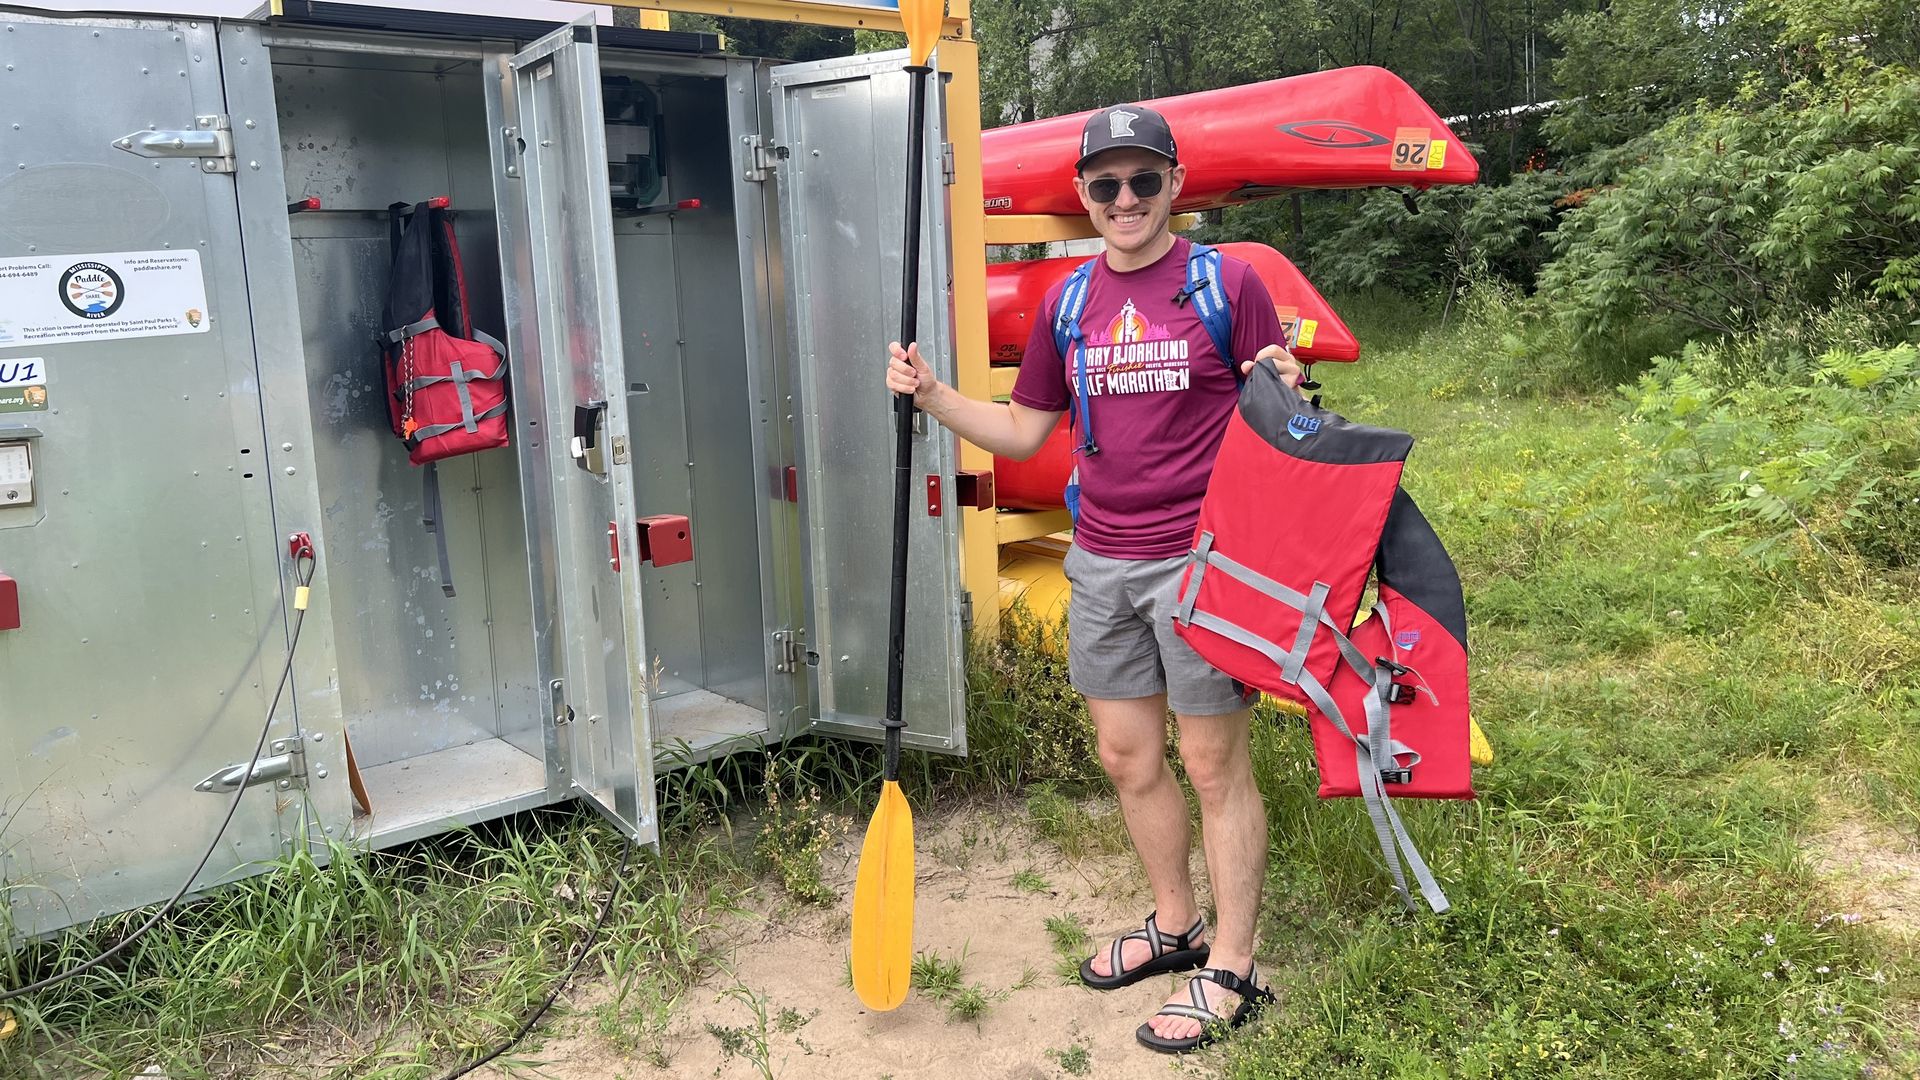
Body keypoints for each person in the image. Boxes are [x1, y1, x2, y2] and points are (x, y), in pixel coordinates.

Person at [884, 103, 1307, 1053]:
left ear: (1174, 186)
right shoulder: (1069, 302)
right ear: (1082, 195)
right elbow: (1026, 431)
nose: (1125, 199)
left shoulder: (1223, 283)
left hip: (1203, 561)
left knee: (1213, 764)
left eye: (1143, 180)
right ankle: (1174, 924)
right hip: (1102, 560)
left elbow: (1278, 409)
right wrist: (937, 395)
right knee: (1128, 758)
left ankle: (1231, 967)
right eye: (1106, 184)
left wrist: (1283, 378)